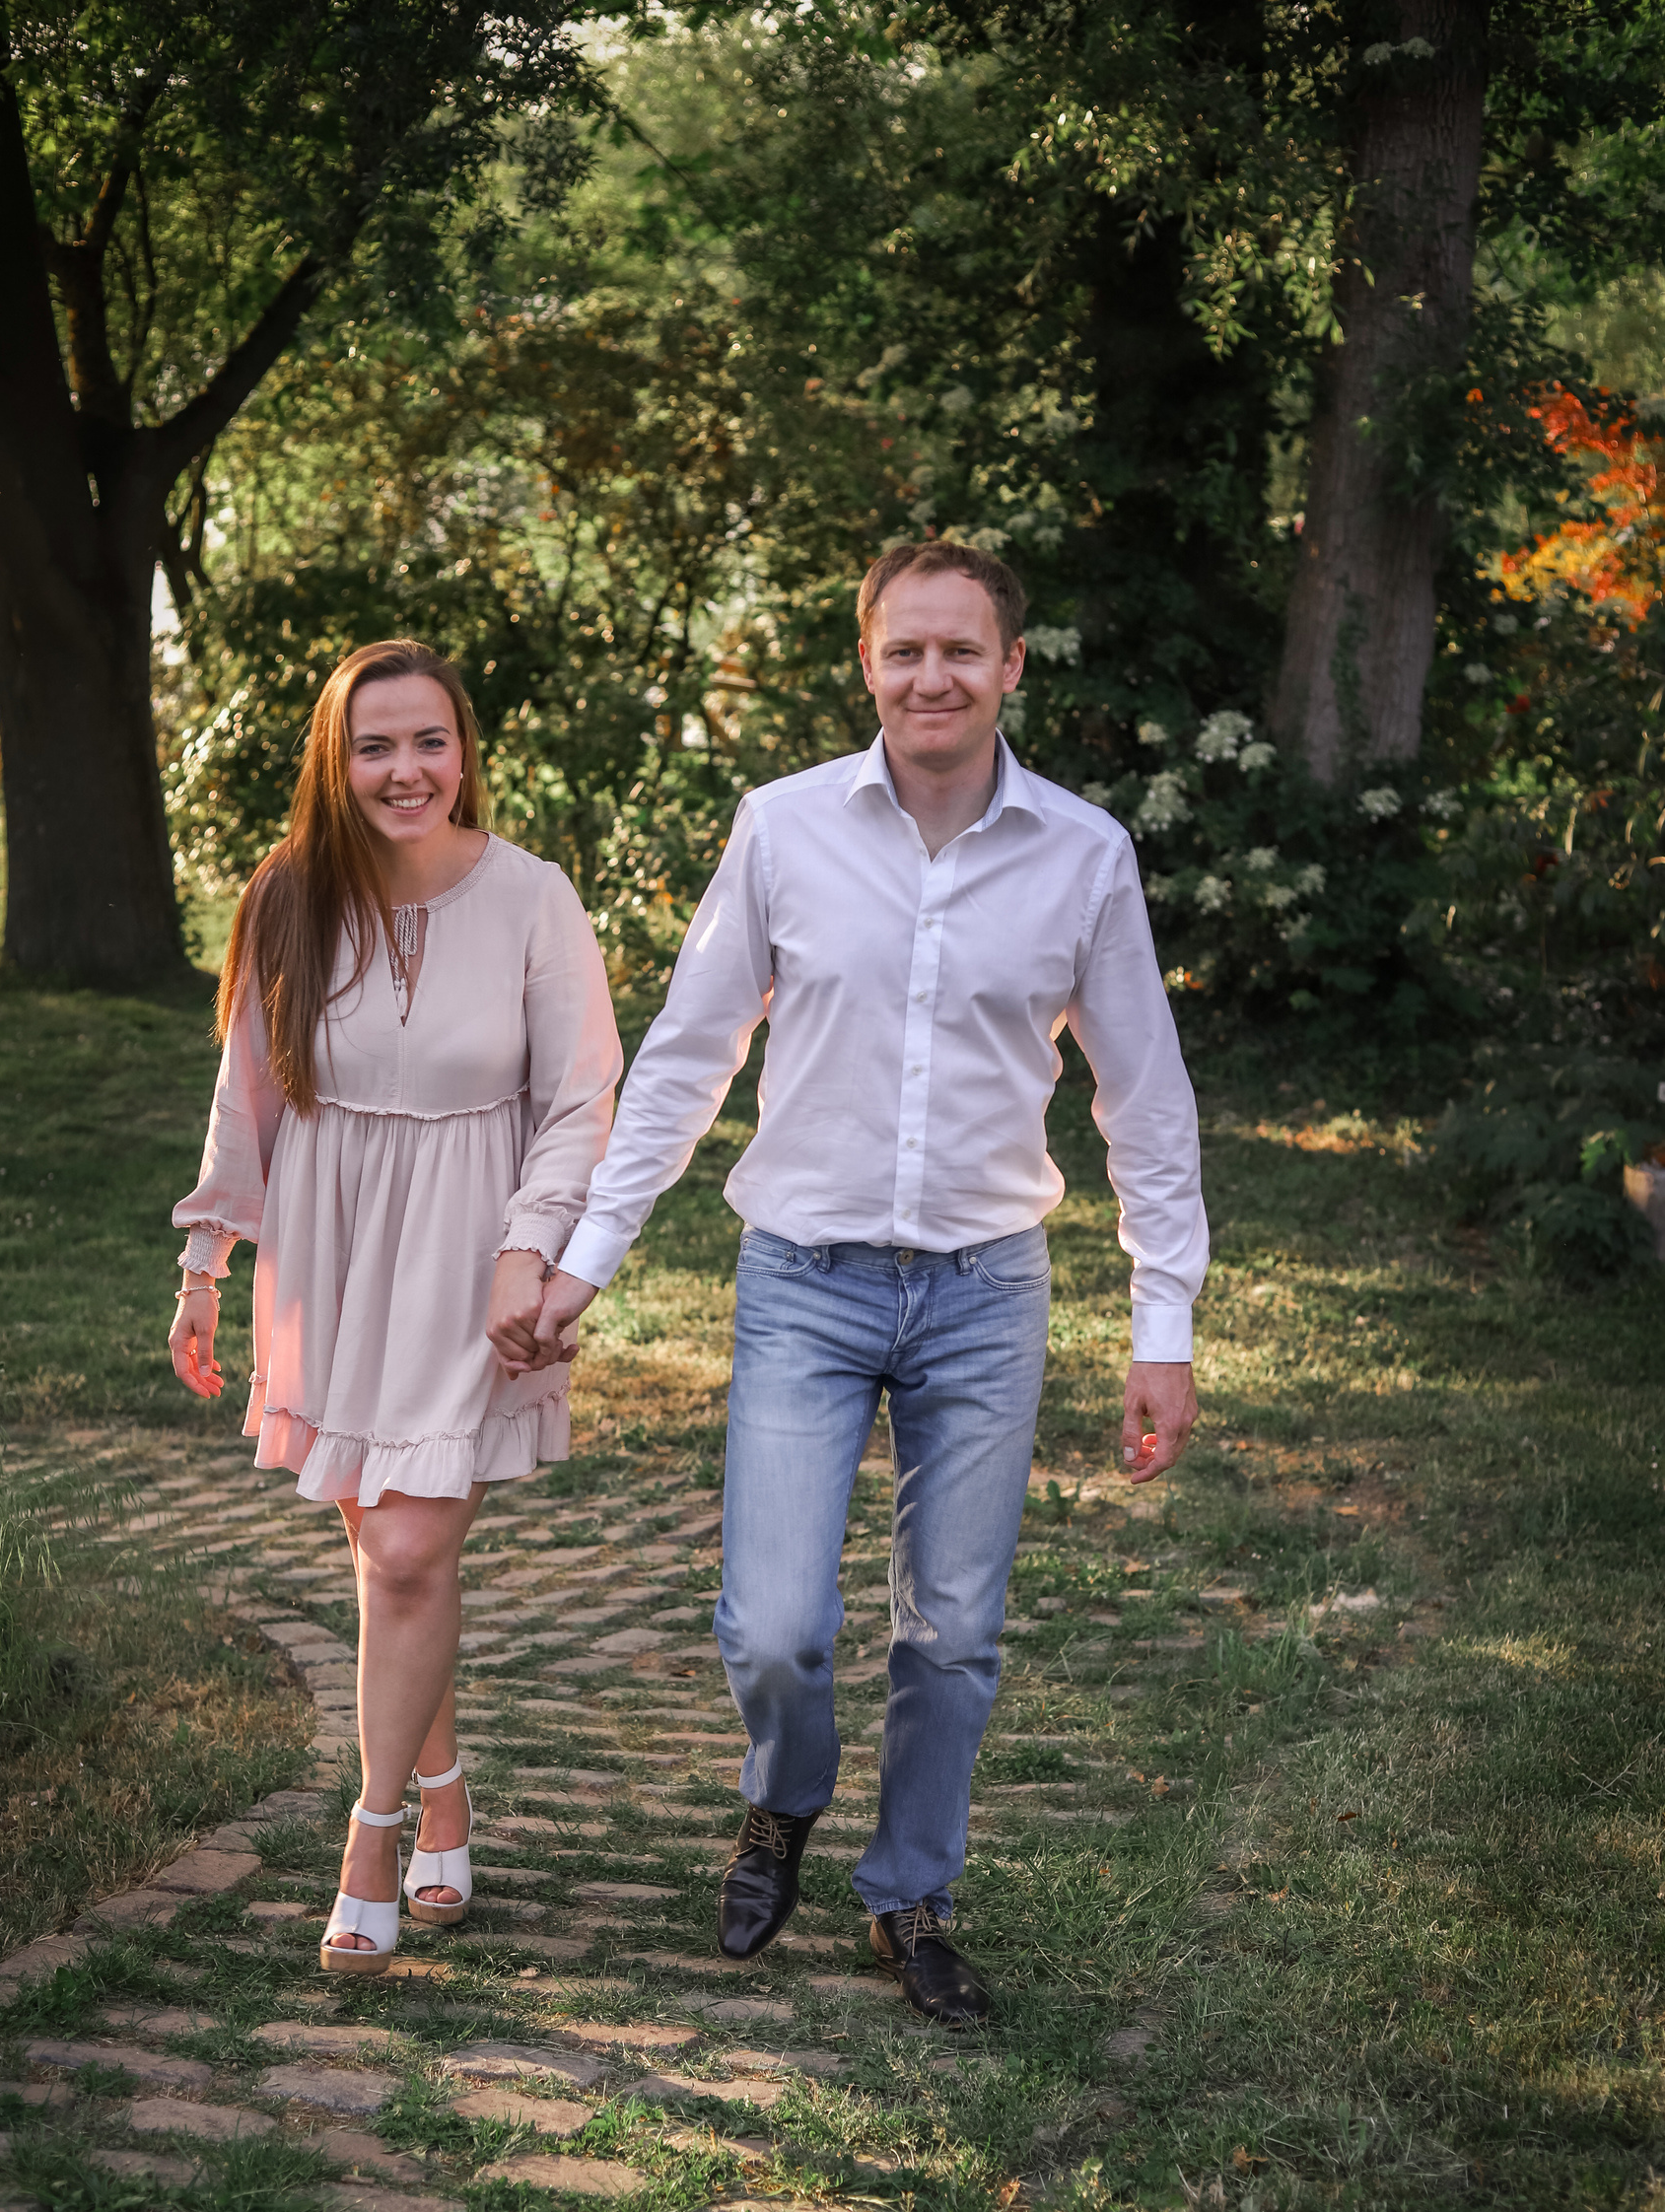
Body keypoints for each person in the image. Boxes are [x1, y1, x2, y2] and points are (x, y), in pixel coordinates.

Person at [507, 543, 1208, 2026]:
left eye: (963, 651)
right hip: (805, 1281)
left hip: (985, 1290)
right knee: (777, 1626)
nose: (932, 678)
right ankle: (783, 1800)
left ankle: (910, 1891)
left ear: (1014, 666)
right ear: (868, 663)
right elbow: (690, 1059)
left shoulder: (1083, 854)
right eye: (905, 652)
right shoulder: (781, 831)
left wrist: (1166, 1323)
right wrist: (586, 1257)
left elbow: (1145, 1102)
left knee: (953, 1628)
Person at [169, 640, 622, 1973]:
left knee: (414, 1552)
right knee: (383, 1546)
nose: (405, 769)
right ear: (337, 761)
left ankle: (369, 1834)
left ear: (464, 751)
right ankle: (442, 1791)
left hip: (476, 1253)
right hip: (334, 1248)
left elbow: (584, 1096)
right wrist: (207, 1262)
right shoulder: (285, 896)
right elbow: (245, 1095)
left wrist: (532, 1250)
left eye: (428, 742)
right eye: (375, 747)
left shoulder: (537, 899)